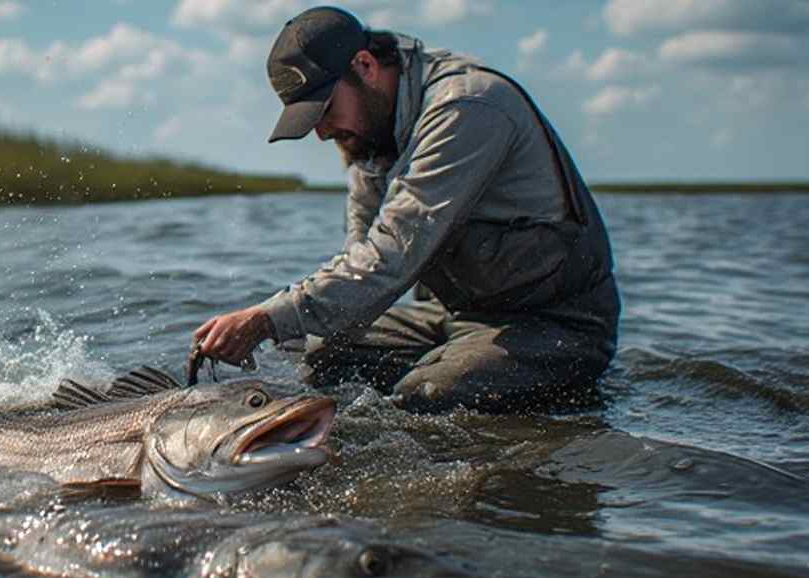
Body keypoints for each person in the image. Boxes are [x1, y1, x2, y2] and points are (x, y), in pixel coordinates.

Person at [192, 6, 620, 412]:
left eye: (324, 110)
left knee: (426, 398)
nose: (321, 133)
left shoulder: (466, 109)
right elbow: (360, 263)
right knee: (321, 354)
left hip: (556, 324)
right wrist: (287, 330)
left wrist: (267, 319)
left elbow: (391, 256)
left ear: (364, 65)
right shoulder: (369, 136)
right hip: (453, 315)